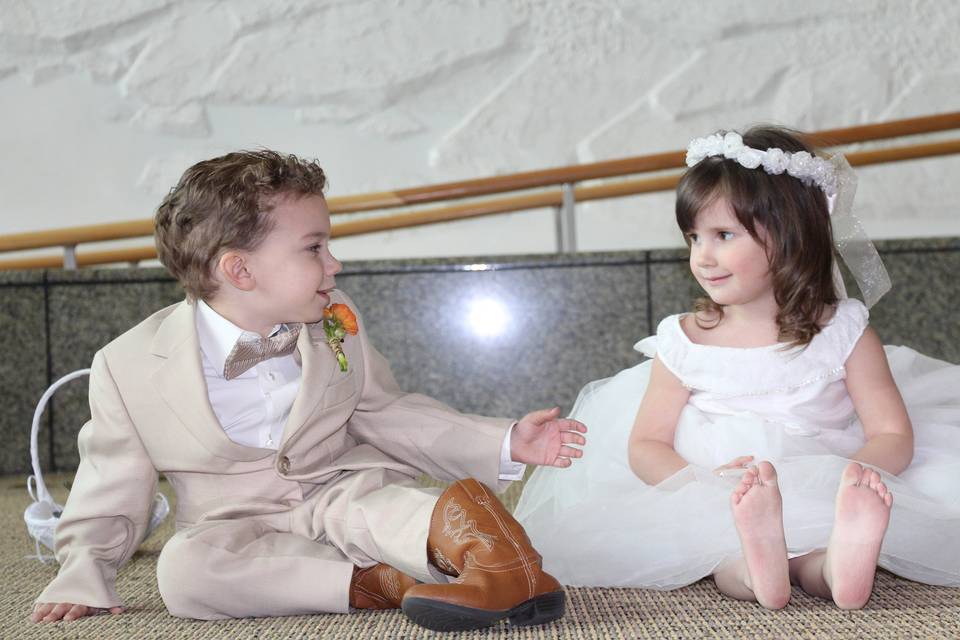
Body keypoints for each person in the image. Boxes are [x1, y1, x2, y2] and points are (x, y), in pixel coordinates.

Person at [30, 150, 587, 631]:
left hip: (339, 490)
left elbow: (387, 415)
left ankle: (503, 563)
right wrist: (83, 573)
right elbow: (110, 484)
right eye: (313, 248)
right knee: (184, 573)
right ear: (240, 270)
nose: (334, 262)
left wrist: (506, 440)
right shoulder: (127, 364)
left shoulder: (337, 321)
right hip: (234, 523)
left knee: (386, 508)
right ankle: (381, 583)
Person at [514, 126, 960, 609]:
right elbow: (646, 443)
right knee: (719, 545)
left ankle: (838, 566)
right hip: (717, 482)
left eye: (723, 235)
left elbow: (893, 433)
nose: (703, 256)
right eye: (693, 238)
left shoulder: (845, 332)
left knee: (817, 540)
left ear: (788, 236)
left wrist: (852, 476)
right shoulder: (685, 340)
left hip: (826, 477)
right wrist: (699, 484)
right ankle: (759, 567)